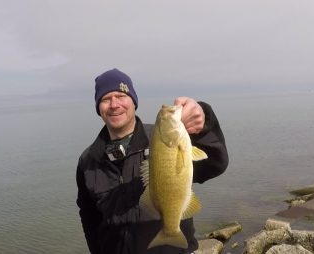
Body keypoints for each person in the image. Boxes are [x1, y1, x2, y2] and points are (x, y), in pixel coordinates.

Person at [76, 68, 229, 254]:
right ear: (99, 108)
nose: (114, 104)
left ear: (134, 102)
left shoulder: (159, 140)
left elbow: (215, 163)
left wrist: (203, 122)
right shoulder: (88, 161)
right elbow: (89, 217)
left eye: (121, 96)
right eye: (106, 99)